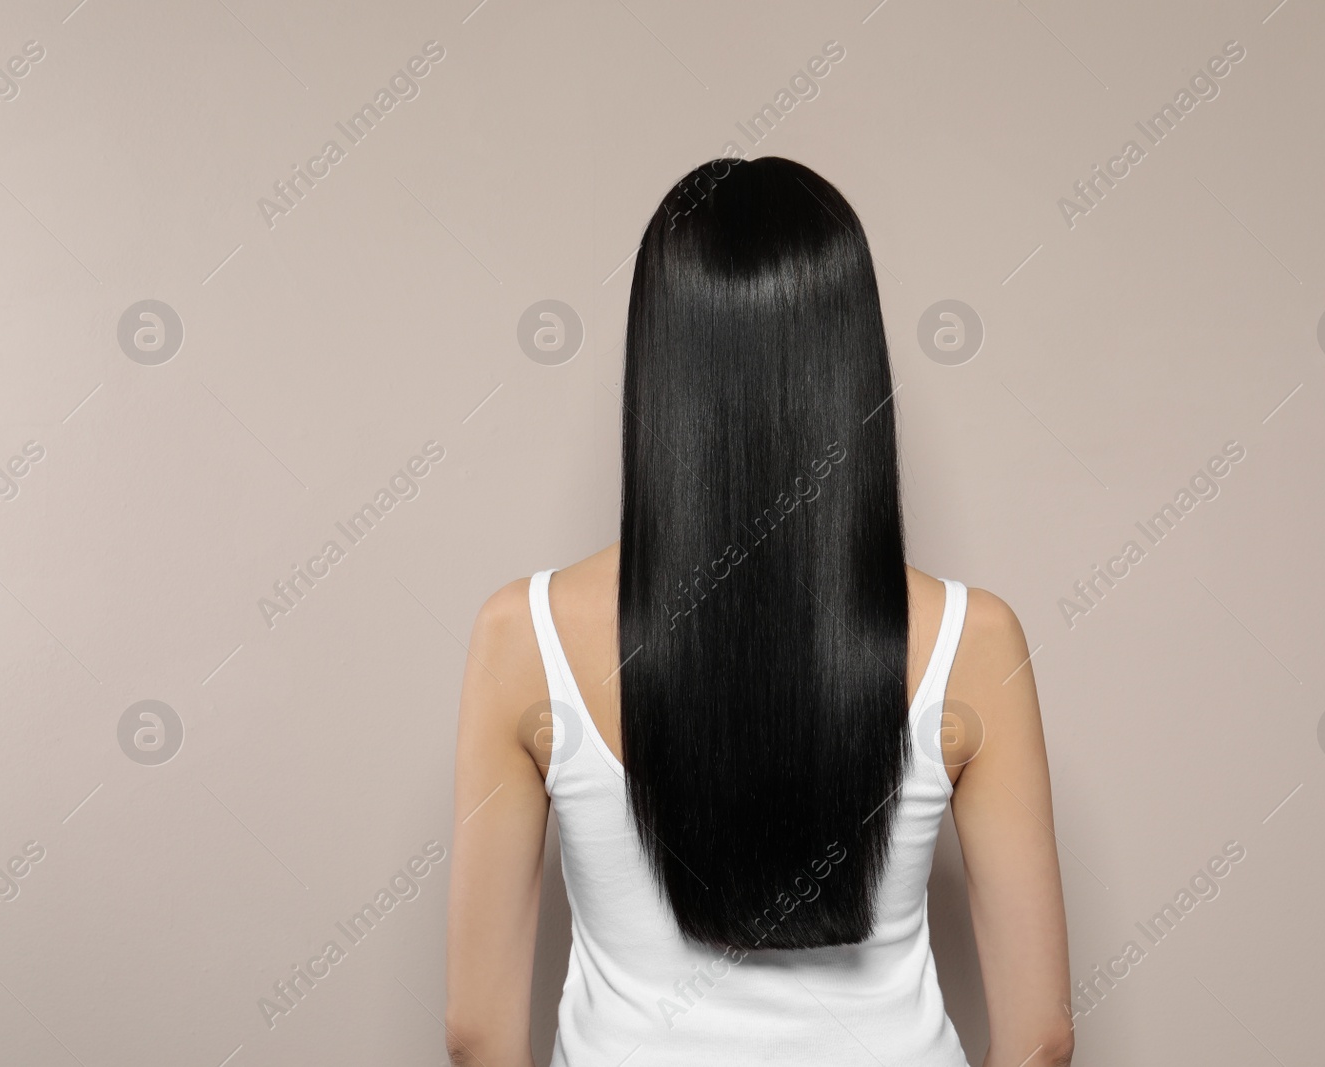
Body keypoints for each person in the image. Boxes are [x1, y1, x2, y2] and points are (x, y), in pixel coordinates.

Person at [444, 157, 1072, 1067]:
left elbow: (476, 1033)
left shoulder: (524, 637)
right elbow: (1042, 1037)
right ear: (853, 361)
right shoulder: (975, 642)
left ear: (658, 360)